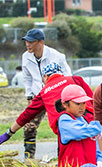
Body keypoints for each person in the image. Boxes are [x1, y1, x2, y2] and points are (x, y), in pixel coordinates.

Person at [0, 63, 94, 147]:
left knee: (70, 161)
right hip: (89, 122)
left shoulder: (43, 92)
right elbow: (93, 100)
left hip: (65, 130)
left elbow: (27, 114)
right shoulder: (75, 79)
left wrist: (9, 133)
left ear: (45, 77)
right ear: (61, 73)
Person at [20, 28, 72, 159]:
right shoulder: (25, 57)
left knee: (62, 126)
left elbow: (67, 75)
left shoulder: (56, 56)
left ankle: (63, 156)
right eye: (26, 41)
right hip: (38, 96)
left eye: (31, 42)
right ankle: (29, 158)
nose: (28, 44)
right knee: (29, 126)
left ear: (40, 42)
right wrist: (29, 96)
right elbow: (27, 78)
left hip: (56, 97)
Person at [54, 84, 102, 167]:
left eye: (84, 103)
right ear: (65, 104)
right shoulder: (64, 120)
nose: (82, 107)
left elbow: (95, 146)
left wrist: (100, 159)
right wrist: (97, 127)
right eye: (77, 104)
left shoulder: (86, 121)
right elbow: (79, 131)